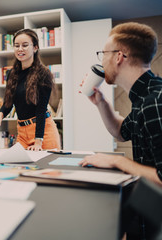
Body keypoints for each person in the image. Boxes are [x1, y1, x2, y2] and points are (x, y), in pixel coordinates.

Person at [78, 22, 161, 239]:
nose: (102, 60)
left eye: (103, 53)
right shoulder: (145, 97)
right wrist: (101, 102)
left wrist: (117, 161)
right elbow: (121, 131)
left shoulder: (154, 103)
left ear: (119, 56)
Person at [0, 29, 60, 151]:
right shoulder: (11, 73)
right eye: (17, 46)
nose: (20, 49)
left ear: (35, 48)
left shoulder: (43, 73)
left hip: (43, 133)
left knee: (47, 169)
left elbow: (41, 110)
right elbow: (8, 101)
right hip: (22, 132)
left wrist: (38, 142)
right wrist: (0, 114)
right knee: (15, 165)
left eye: (25, 45)